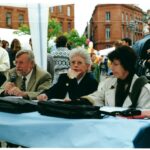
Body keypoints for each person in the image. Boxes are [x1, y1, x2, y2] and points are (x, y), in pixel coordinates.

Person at [80, 46, 150, 109]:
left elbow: (144, 117)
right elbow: (97, 97)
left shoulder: (144, 89)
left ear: (127, 65)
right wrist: (79, 101)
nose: (111, 67)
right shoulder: (108, 83)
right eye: (111, 63)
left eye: (116, 64)